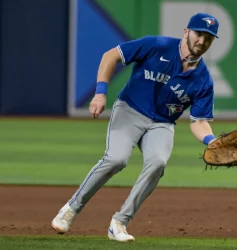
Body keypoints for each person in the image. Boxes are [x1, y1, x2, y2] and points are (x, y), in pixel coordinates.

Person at [52, 12, 219, 242]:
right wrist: (100, 93)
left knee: (158, 163)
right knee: (116, 159)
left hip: (162, 123)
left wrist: (211, 141)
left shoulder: (203, 80)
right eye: (199, 34)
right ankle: (71, 209)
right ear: (186, 32)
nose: (202, 41)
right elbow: (111, 56)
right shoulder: (156, 45)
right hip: (130, 110)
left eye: (208, 38)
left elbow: (199, 121)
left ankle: (119, 223)